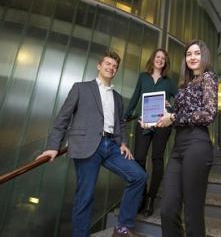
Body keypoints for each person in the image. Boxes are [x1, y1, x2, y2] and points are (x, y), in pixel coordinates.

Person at [36, 52, 147, 237]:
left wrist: (123, 143)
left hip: (111, 145)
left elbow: (120, 123)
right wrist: (54, 146)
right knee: (85, 196)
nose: (111, 68)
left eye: (114, 66)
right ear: (99, 65)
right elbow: (63, 118)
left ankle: (123, 227)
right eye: (108, 64)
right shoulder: (81, 88)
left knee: (139, 176)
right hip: (87, 145)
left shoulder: (118, 98)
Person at [155, 40, 218, 237]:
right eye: (189, 54)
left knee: (192, 211)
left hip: (197, 144)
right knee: (167, 209)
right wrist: (163, 113)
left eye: (196, 53)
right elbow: (180, 115)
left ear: (204, 56)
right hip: (178, 146)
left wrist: (173, 116)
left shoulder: (208, 78)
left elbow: (208, 114)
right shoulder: (185, 84)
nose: (192, 57)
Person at [124, 48, 177, 217]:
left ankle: (150, 199)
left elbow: (181, 100)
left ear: (165, 62)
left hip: (162, 124)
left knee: (157, 158)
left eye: (163, 58)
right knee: (139, 158)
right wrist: (124, 117)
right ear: (153, 59)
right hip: (144, 123)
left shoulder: (169, 82)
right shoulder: (142, 77)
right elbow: (134, 98)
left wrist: (172, 108)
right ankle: (142, 194)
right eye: (157, 57)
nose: (160, 60)